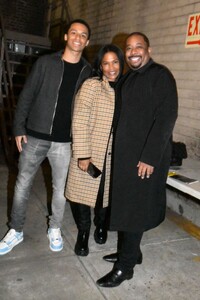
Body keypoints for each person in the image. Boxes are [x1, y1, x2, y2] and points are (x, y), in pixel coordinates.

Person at [0, 19, 92, 255]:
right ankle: (16, 230)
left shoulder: (87, 71)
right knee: (22, 184)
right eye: (74, 33)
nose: (78, 38)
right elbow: (26, 95)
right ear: (66, 37)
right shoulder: (45, 63)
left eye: (83, 35)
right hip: (35, 136)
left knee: (61, 188)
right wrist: (19, 128)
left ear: (87, 41)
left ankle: (55, 228)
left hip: (65, 142)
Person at [96, 32, 178, 287]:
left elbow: (166, 118)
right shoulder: (129, 79)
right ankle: (131, 252)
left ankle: (126, 267)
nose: (132, 52)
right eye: (128, 48)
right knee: (127, 207)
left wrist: (149, 157)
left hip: (145, 159)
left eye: (138, 47)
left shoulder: (160, 76)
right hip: (126, 158)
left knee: (134, 210)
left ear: (148, 50)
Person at [65, 44, 124, 256]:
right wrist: (83, 154)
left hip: (114, 155)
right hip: (91, 151)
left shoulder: (126, 87)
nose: (111, 68)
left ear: (121, 63)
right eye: (105, 63)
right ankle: (83, 232)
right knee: (81, 195)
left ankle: (100, 225)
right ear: (100, 65)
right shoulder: (92, 85)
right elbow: (79, 120)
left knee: (104, 196)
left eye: (115, 62)